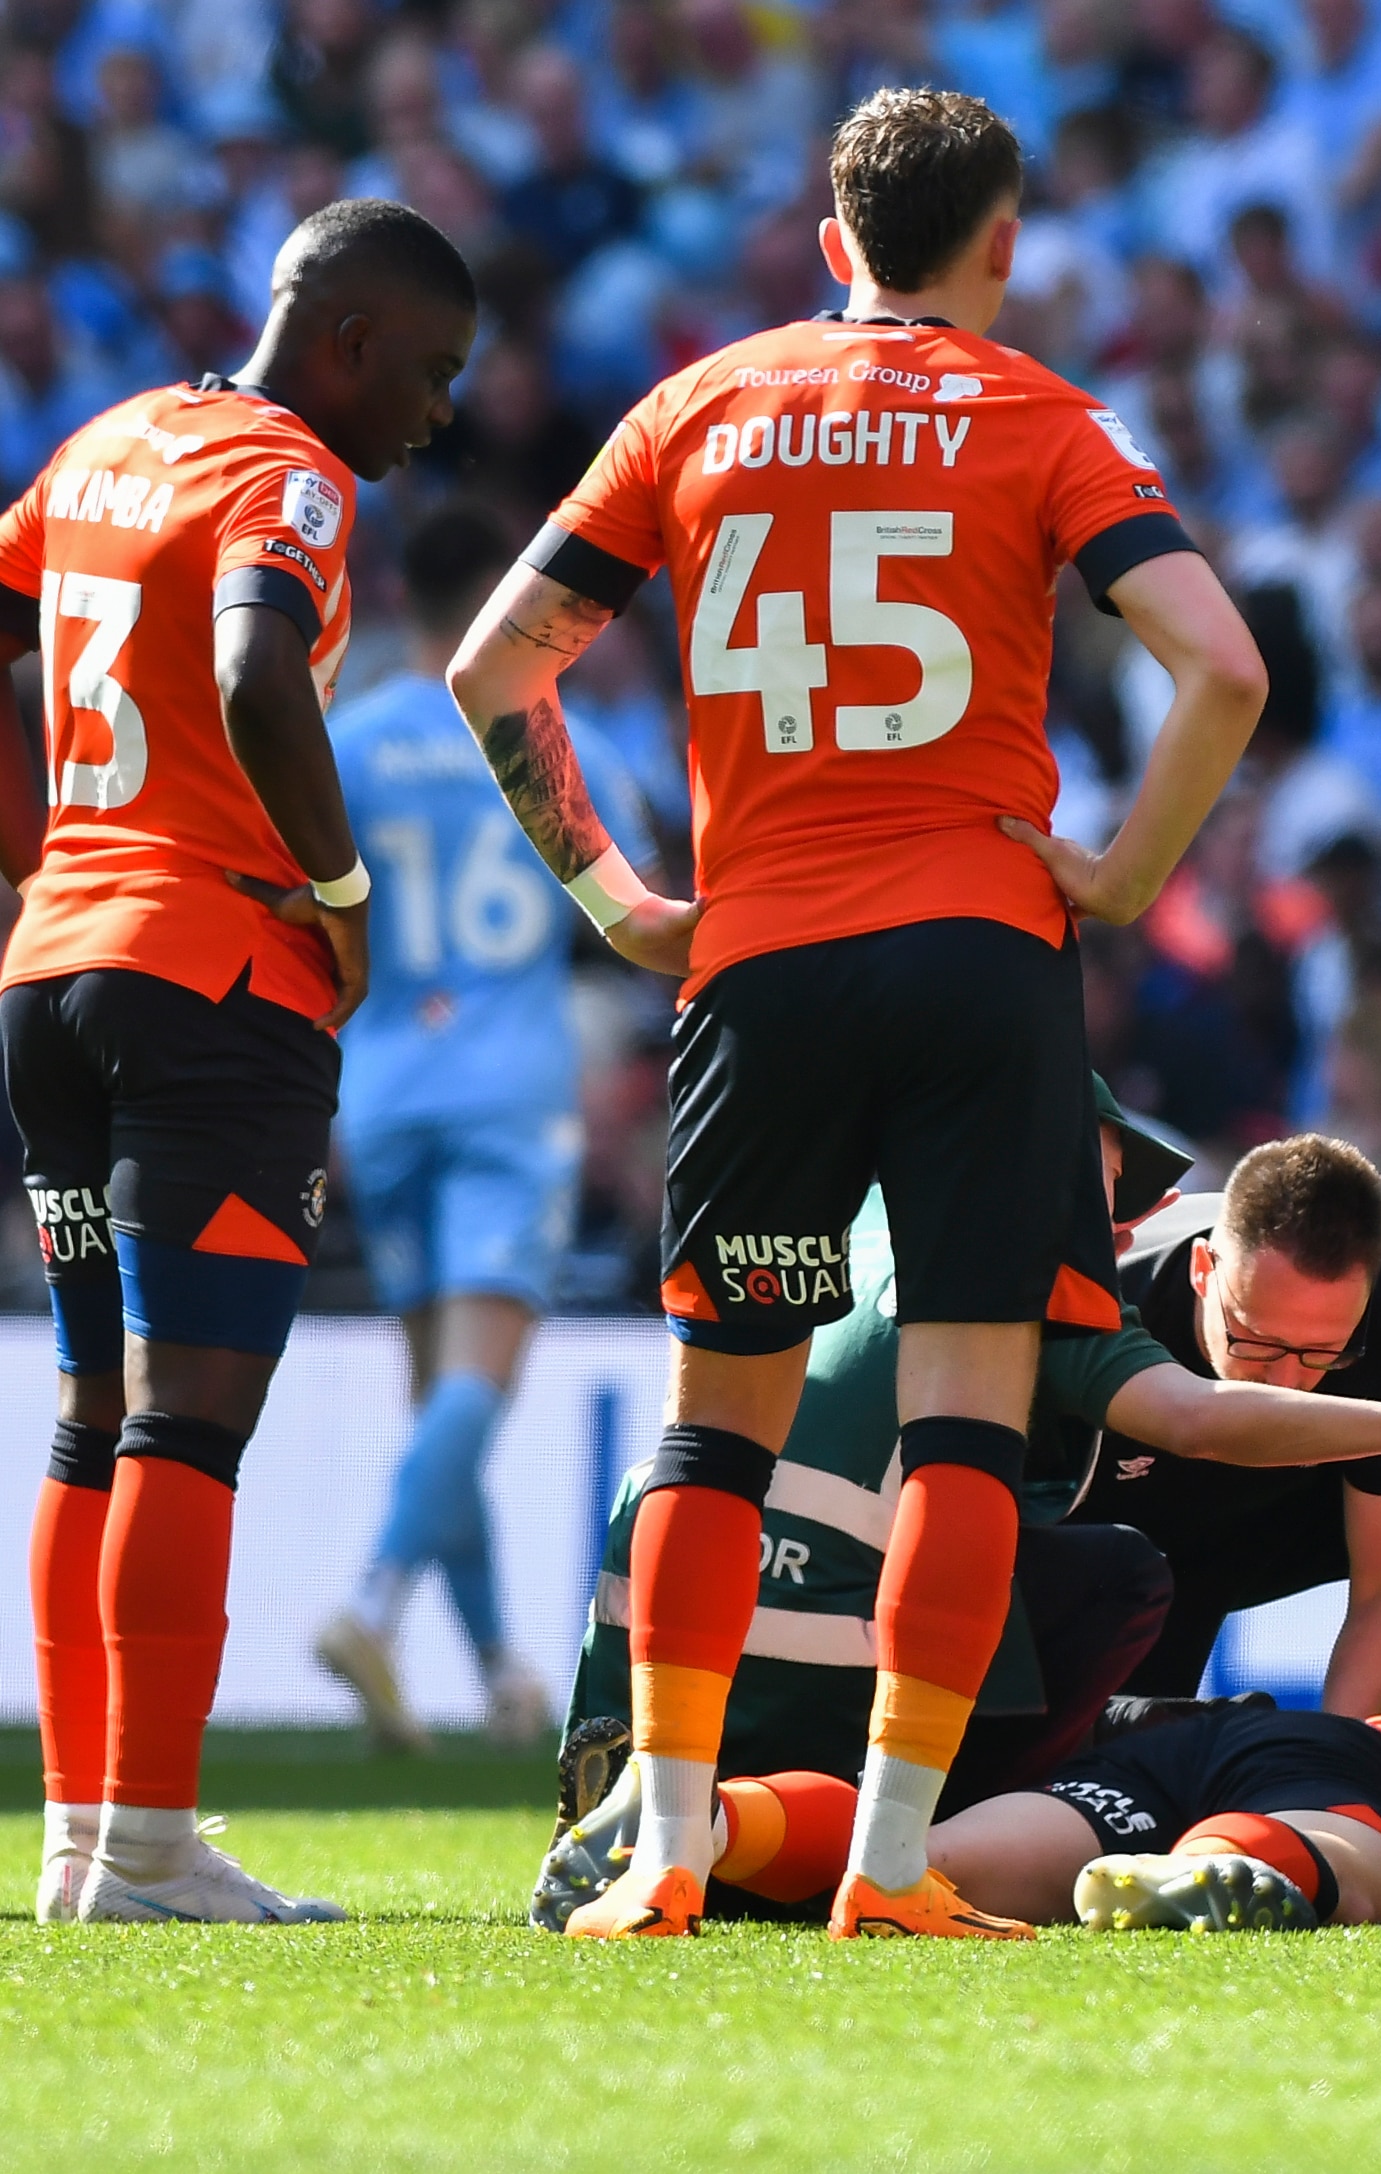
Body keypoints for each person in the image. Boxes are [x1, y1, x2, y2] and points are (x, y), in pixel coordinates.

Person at [447, 89, 1269, 1941]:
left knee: (710, 1429)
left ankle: (664, 1842)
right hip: (982, 952)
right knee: (962, 1430)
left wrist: (619, 898)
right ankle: (891, 1857)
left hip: (763, 959)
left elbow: (494, 661)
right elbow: (1225, 659)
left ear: (832, 237)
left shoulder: (699, 403)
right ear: (1003, 245)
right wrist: (1126, 872)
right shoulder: (1041, 412)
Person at [534, 1079, 1381, 1923]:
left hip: (689, 1619)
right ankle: (898, 1838)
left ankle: (686, 1813)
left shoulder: (869, 1217)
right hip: (869, 1627)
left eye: (1319, 1355)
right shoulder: (1059, 1292)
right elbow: (1195, 1421)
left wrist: (1316, 1755)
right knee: (1095, 1597)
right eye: (1107, 1183)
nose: (1120, 1213)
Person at [3, 199, 477, 1926]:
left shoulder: (108, 438)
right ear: (346, 337)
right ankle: (145, 1845)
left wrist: (41, 856)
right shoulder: (293, 474)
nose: (434, 413)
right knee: (186, 1424)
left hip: (53, 968)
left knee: (89, 1412)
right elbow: (252, 661)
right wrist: (342, 899)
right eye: (429, 372)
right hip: (210, 984)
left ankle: (80, 1836)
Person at [310, 502, 654, 1755]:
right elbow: (630, 906)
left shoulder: (350, 740)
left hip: (384, 1086)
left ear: (401, 598)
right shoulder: (551, 730)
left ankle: (502, 1667)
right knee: (477, 1383)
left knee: (438, 1394)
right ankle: (370, 1605)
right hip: (512, 1090)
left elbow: (308, 907)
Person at [548, 1700, 1381, 1934]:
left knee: (923, 1861)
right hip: (1365, 1775)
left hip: (1202, 1740)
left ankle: (704, 1824)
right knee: (1362, 1874)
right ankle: (1204, 1872)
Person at [1089, 1134, 1381, 1714]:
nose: (1286, 1384)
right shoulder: (1106, 1296)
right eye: (1257, 1342)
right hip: (1113, 1539)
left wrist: (1328, 1748)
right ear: (1202, 1271)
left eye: (1323, 1353)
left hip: (1273, 1521)